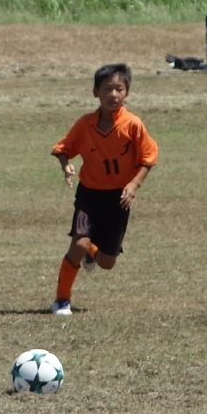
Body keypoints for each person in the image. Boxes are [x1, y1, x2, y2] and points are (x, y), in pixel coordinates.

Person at [49, 63, 158, 316]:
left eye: (119, 89)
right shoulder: (85, 124)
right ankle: (62, 300)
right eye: (107, 89)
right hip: (89, 194)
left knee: (107, 262)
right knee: (78, 244)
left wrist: (133, 185)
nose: (114, 94)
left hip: (119, 198)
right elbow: (64, 149)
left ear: (127, 93)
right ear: (95, 92)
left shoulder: (133, 125)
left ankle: (92, 250)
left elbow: (148, 158)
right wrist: (66, 165)